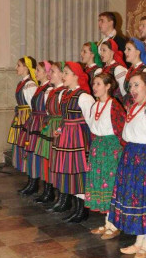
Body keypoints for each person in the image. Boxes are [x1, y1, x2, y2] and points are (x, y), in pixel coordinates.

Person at [108, 71, 146, 258]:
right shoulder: (133, 106)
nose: (132, 89)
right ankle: (139, 241)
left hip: (145, 157)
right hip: (131, 155)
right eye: (130, 85)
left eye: (136, 85)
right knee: (136, 199)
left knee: (145, 200)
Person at [50, 62, 95, 223]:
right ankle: (75, 207)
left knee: (79, 172)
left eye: (67, 73)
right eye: (63, 73)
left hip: (78, 139)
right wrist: (60, 130)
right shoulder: (65, 95)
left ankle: (82, 210)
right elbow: (65, 119)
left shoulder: (84, 97)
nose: (63, 76)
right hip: (67, 138)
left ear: (76, 76)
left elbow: (91, 123)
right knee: (71, 173)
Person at [85, 73, 125, 240]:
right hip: (99, 147)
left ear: (108, 86)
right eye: (94, 84)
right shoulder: (95, 106)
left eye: (99, 84)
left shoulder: (113, 105)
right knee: (101, 183)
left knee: (110, 185)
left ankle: (114, 224)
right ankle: (107, 222)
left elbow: (121, 127)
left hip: (111, 148)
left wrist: (119, 150)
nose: (95, 87)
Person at [35, 62, 65, 207]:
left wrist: (58, 129)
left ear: (61, 74)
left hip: (58, 127)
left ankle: (61, 196)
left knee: (57, 162)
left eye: (52, 71)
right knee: (47, 161)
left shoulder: (63, 92)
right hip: (50, 125)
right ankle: (49, 191)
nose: (49, 74)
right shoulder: (53, 91)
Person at [21, 61, 52, 197]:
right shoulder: (40, 88)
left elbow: (48, 109)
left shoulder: (49, 89)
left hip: (41, 123)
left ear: (46, 72)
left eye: (38, 70)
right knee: (33, 153)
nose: (36, 73)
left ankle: (47, 190)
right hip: (35, 122)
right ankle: (33, 183)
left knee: (43, 156)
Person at [8, 56, 37, 193]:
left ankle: (33, 182)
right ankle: (30, 181)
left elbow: (33, 106)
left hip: (27, 119)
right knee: (23, 149)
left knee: (28, 148)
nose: (16, 67)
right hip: (21, 117)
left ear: (26, 67)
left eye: (19, 65)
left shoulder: (30, 85)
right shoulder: (22, 83)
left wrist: (30, 122)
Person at [122, 38, 146, 110]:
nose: (125, 51)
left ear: (137, 52)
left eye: (129, 49)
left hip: (142, 109)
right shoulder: (129, 71)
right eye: (125, 49)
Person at [98, 40, 127, 104]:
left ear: (112, 52)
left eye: (104, 50)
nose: (101, 53)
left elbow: (124, 91)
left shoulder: (118, 69)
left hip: (116, 105)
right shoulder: (102, 70)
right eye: (101, 50)